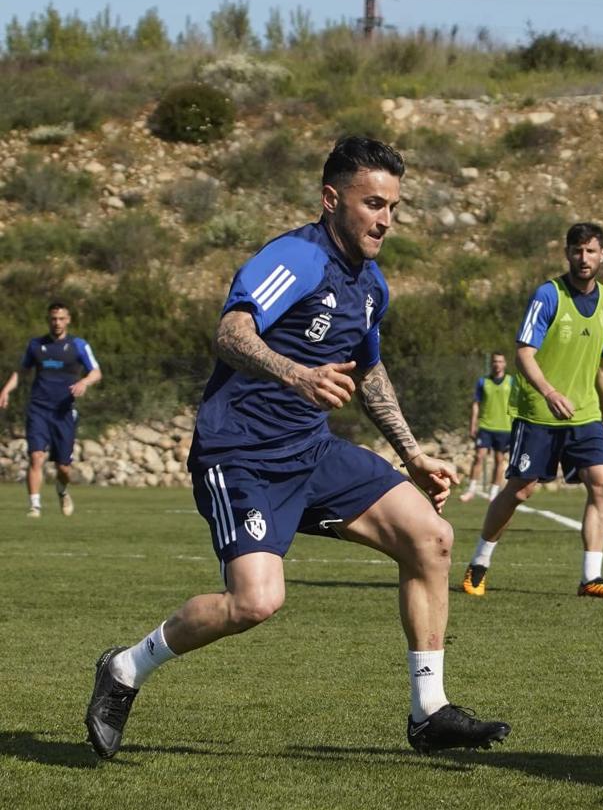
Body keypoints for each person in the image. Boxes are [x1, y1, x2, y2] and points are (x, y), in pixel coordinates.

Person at [84, 136, 509, 760]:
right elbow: (231, 332)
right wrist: (295, 374)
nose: (385, 219)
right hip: (242, 454)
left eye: (393, 206)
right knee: (256, 601)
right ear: (331, 199)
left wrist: (412, 453)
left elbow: (370, 370)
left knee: (432, 537)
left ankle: (430, 712)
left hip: (312, 452)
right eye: (372, 203)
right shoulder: (296, 258)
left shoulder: (371, 285)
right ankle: (124, 669)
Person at [461, 222, 603, 600]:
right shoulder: (547, 295)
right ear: (566, 254)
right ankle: (480, 561)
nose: (583, 259)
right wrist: (549, 391)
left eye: (590, 251)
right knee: (521, 491)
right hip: (539, 410)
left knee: (602, 483)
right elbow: (523, 352)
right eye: (576, 251)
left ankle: (591, 578)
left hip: (584, 413)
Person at [0, 303, 102, 519]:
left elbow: (96, 372)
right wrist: (6, 390)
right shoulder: (36, 345)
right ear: (49, 320)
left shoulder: (78, 345)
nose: (57, 322)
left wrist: (84, 382)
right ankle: (34, 506)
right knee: (36, 456)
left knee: (63, 467)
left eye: (61, 318)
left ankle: (62, 490)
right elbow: (22, 371)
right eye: (54, 319)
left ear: (68, 320)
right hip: (39, 408)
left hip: (63, 412)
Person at [460, 352, 515, 503]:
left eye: (500, 361)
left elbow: (516, 404)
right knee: (479, 457)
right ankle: (471, 490)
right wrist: (473, 424)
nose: (497, 364)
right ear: (491, 363)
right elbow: (476, 404)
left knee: (499, 460)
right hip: (485, 426)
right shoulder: (483, 382)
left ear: (505, 364)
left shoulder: (511, 381)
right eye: (495, 361)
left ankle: (494, 492)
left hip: (504, 428)